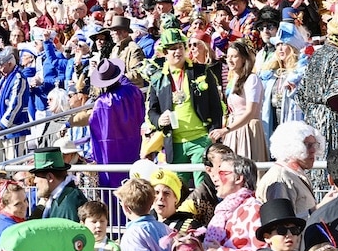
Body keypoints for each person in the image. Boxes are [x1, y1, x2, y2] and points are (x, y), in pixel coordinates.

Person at [146, 26, 223, 190]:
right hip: (174, 142)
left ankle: (204, 217)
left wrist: (215, 132)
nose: (177, 52)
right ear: (164, 53)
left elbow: (216, 106)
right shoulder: (158, 79)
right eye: (172, 49)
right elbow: (152, 111)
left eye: (180, 47)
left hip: (201, 140)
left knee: (203, 189)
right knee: (176, 191)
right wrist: (159, 120)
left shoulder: (201, 71)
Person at [296, 6, 338, 158]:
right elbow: (336, 97)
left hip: (312, 119)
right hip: (331, 123)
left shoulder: (319, 53)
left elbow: (301, 94)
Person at [87, 58, 145, 187]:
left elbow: (93, 126)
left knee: (114, 189)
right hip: (135, 145)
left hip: (111, 154)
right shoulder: (134, 91)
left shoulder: (102, 102)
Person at [204, 155, 262, 251]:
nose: (215, 178)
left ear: (238, 178)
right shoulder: (223, 211)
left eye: (222, 173)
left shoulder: (254, 209)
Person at [211, 40, 268, 162]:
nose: (230, 60)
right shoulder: (233, 80)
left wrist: (226, 129)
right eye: (228, 56)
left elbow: (250, 112)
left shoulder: (251, 79)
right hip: (233, 129)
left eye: (234, 56)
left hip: (247, 129)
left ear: (243, 59)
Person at [256, 121, 321, 218]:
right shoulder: (281, 179)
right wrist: (317, 209)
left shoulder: (293, 173)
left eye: (314, 145)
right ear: (291, 147)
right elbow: (282, 222)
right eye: (307, 145)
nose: (313, 150)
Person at [29, 147, 88, 221]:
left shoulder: (68, 203)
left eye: (37, 176)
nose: (35, 181)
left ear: (50, 177)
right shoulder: (59, 197)